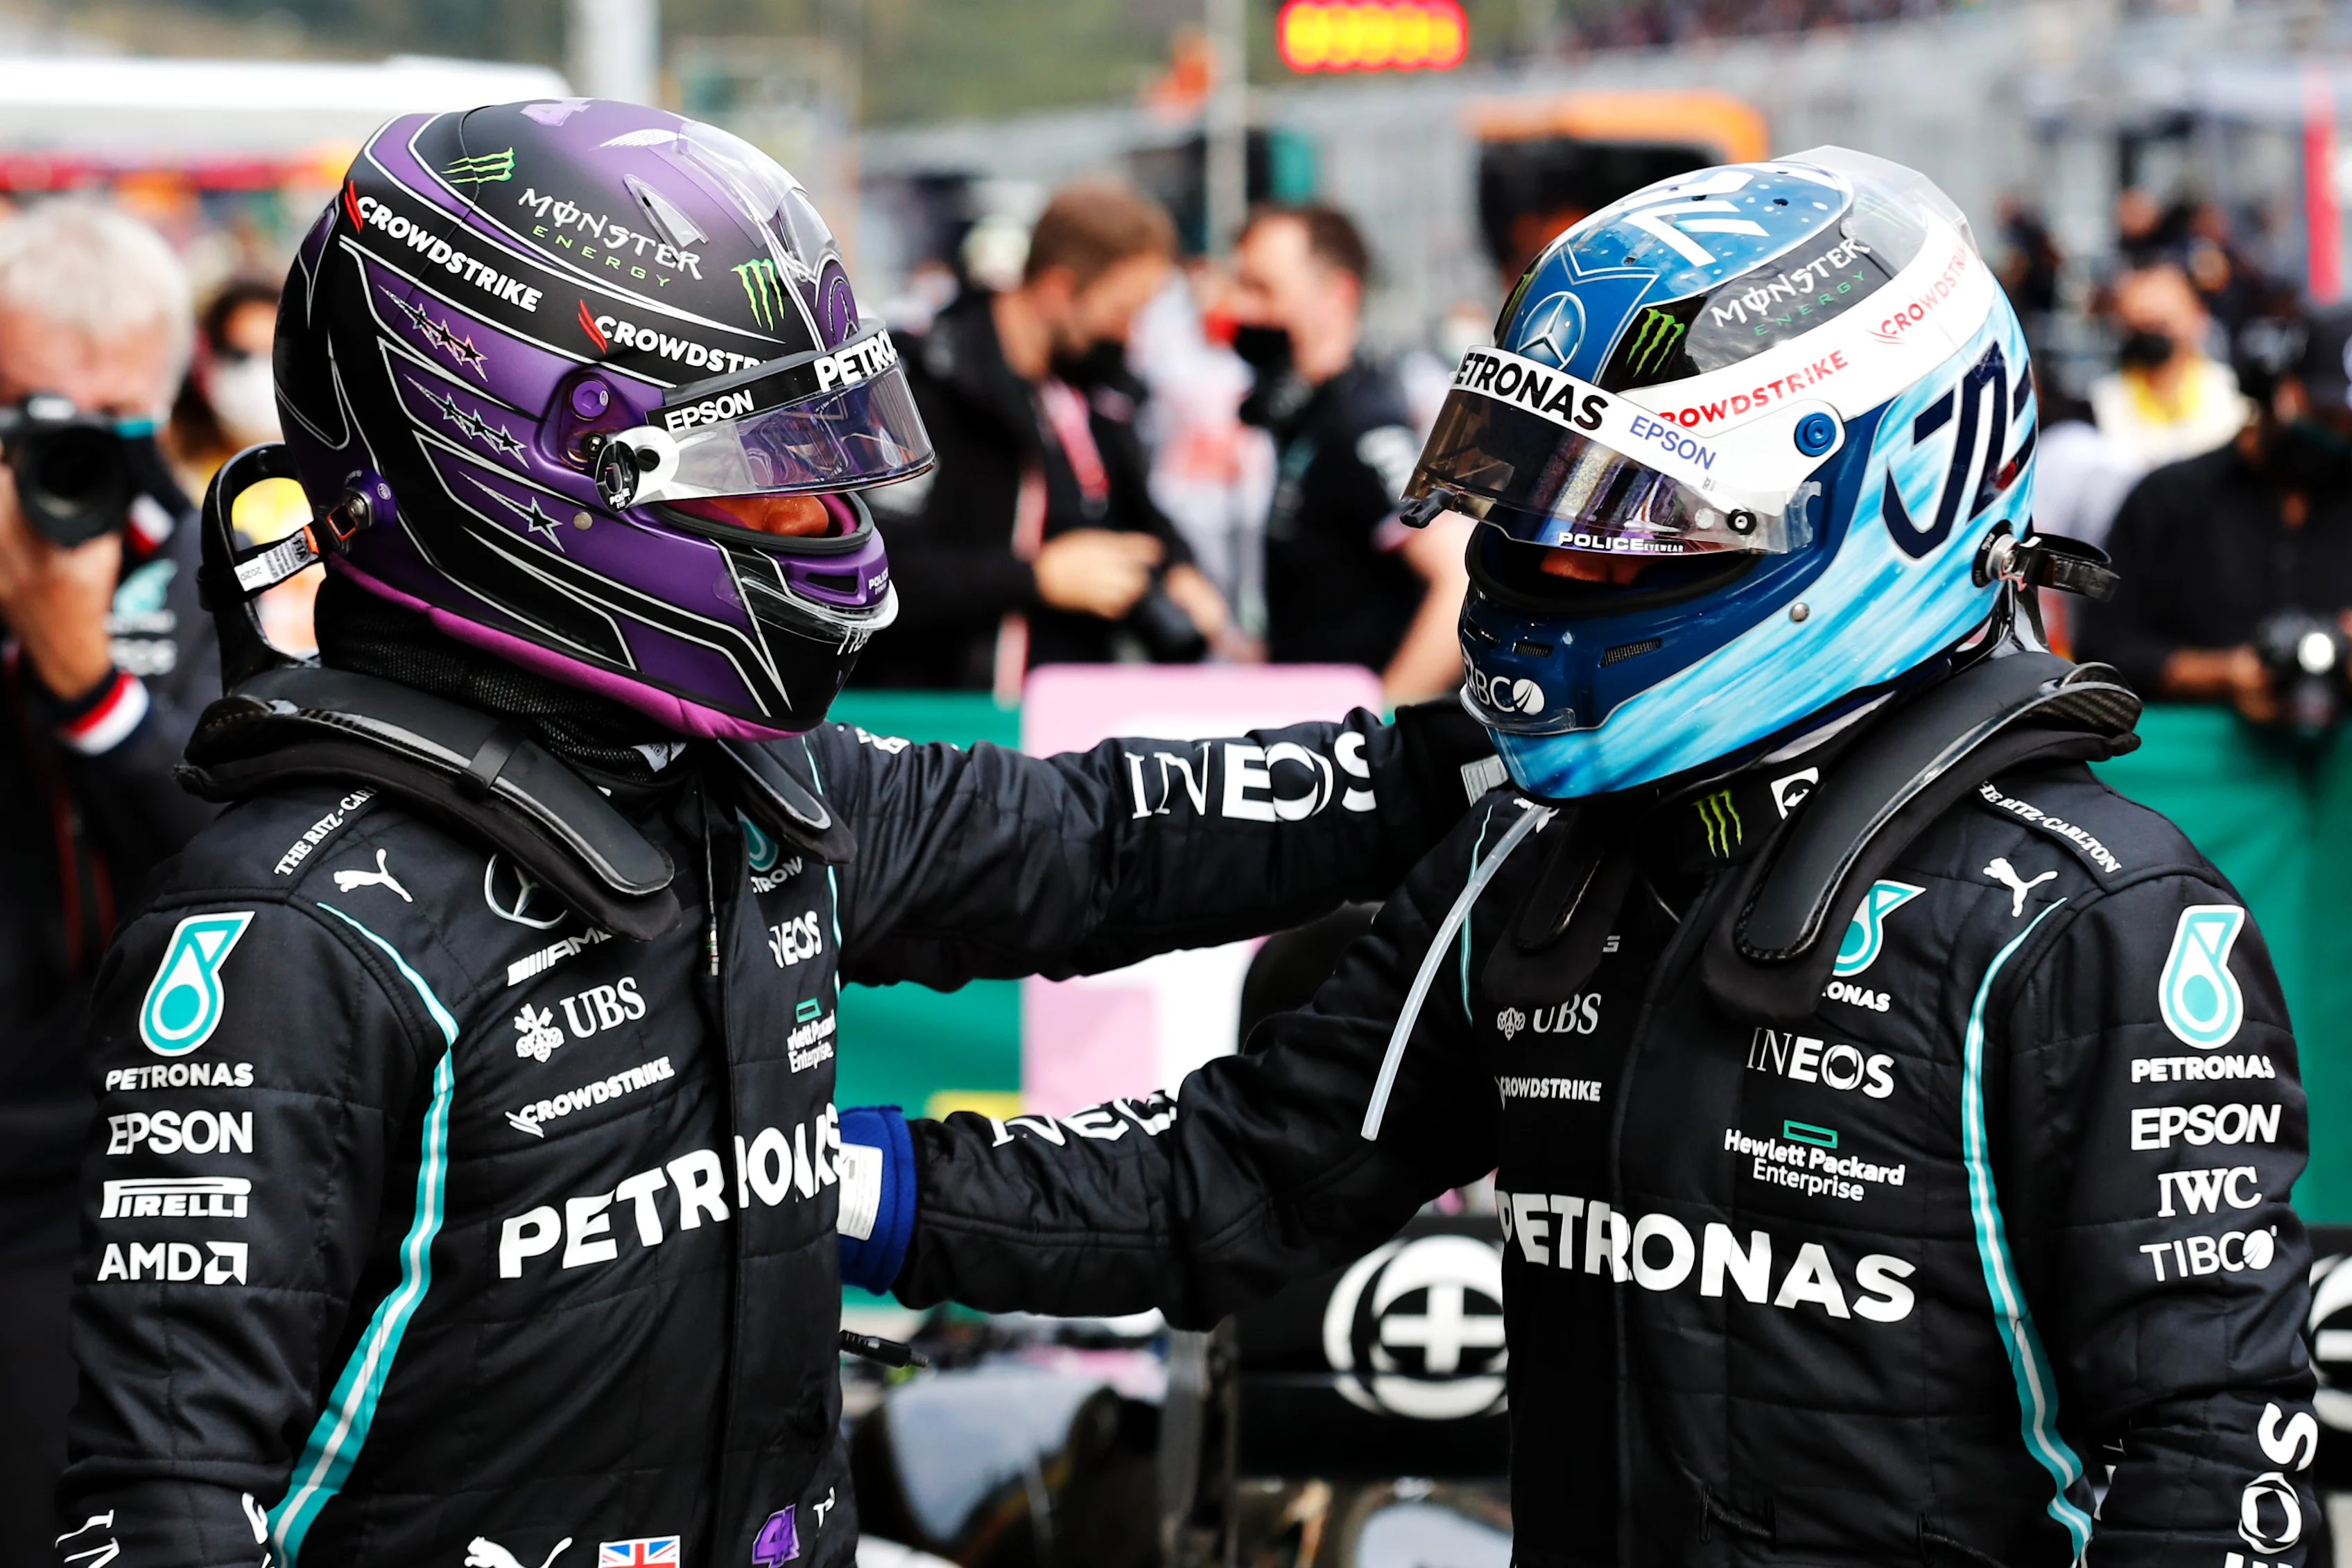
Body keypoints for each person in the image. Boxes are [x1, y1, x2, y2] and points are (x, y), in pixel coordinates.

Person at [55, 100, 1494, 1563]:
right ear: (537, 458)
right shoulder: (293, 938)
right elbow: (160, 1499)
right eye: (769, 465)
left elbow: (1099, 837)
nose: (827, 515)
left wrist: (1503, 750)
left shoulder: (737, 784)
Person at [854, 150, 2319, 1568]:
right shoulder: (1530, 856)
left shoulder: (2087, 922)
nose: (1545, 565)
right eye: (1534, 505)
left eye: (1621, 522)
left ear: (1887, 500)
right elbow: (1224, 1191)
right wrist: (802, 1183)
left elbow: (2207, 1458)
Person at [0, 200, 215, 1568]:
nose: (65, 459)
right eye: (28, 417)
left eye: (108, 420)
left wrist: (86, 687)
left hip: (90, 1171)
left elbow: (230, 856)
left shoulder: (215, 572)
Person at [858, 180, 1227, 694]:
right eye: (1121, 312)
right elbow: (872, 572)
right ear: (1058, 289)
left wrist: (1181, 569)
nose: (1131, 333)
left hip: (1069, 724)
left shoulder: (1099, 387)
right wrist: (1037, 579)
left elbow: (1139, 513)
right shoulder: (922, 380)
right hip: (943, 725)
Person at [1231, 204, 1467, 702]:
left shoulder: (1364, 424)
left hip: (1343, 760)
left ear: (1338, 295)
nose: (1243, 310)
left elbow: (1459, 580)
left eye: (1263, 290)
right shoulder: (1300, 415)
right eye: (1241, 286)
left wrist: (1377, 727)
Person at [2076, 306, 2352, 717]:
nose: (2341, 439)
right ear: (2278, 390)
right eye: (2329, 418)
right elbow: (2100, 650)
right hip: (2193, 772)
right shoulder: (2169, 500)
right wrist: (2223, 675)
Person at [2089, 260, 2251, 476]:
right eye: (2142, 325)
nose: (2150, 322)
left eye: (2162, 325)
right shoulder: (2102, 405)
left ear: (2199, 317)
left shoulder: (2233, 399)